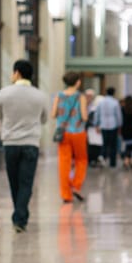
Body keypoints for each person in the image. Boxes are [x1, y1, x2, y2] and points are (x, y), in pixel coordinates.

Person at [0, 59, 50, 233]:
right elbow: (45, 119)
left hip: (10, 143)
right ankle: (20, 216)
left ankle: (19, 214)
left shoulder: (4, 93)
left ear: (16, 72)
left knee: (14, 181)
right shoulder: (40, 95)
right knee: (26, 182)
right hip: (31, 143)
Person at [51, 72, 88, 203]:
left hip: (63, 133)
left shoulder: (58, 96)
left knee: (64, 162)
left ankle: (66, 194)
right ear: (77, 82)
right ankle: (76, 186)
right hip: (78, 132)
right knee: (81, 160)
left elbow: (53, 114)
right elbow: (84, 116)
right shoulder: (80, 97)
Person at [96, 87, 122, 168]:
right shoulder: (115, 102)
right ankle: (112, 162)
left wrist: (96, 123)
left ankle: (102, 158)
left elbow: (97, 113)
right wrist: (119, 124)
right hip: (113, 125)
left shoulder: (101, 102)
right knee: (113, 145)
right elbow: (118, 115)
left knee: (104, 143)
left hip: (103, 125)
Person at [84, 89, 103, 167]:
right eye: (87, 96)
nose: (88, 98)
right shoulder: (82, 105)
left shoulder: (94, 107)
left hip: (91, 128)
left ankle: (92, 159)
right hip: (82, 128)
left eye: (90, 96)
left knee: (92, 144)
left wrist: (97, 125)